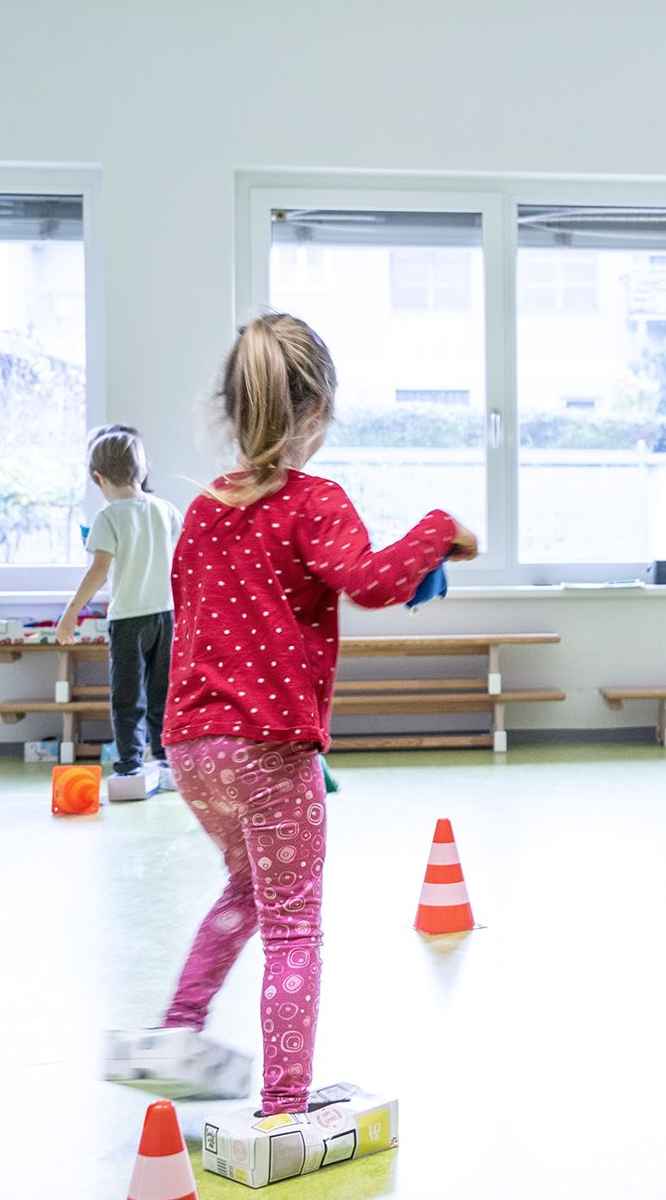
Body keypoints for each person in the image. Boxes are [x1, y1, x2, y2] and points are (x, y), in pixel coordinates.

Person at [131, 312, 476, 1115]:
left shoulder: (204, 512)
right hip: (269, 749)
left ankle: (178, 1032)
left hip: (193, 748)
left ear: (232, 407)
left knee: (247, 890)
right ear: (318, 410)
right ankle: (285, 1105)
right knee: (293, 924)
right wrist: (439, 531)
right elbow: (373, 583)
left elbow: (196, 616)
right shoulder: (314, 503)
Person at [58, 425, 183, 781]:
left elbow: (99, 570)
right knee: (162, 692)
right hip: (167, 616)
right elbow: (185, 560)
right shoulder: (166, 510)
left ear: (99, 478)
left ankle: (130, 765)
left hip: (129, 620)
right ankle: (165, 761)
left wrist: (71, 612)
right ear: (141, 471)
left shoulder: (109, 517)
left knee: (127, 697)